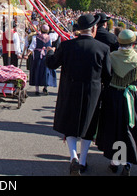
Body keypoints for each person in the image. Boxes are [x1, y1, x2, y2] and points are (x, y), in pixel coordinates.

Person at [45, 14, 111, 175]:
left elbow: (52, 64)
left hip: (70, 88)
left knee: (71, 124)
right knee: (88, 126)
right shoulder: (102, 48)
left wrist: (49, 52)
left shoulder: (67, 46)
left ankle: (73, 156)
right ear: (94, 28)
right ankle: (82, 161)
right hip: (92, 92)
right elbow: (108, 75)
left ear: (79, 29)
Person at [96, 29, 137, 175]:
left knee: (114, 128)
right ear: (133, 43)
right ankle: (127, 162)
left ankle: (115, 161)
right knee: (129, 130)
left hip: (113, 96)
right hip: (133, 97)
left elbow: (103, 74)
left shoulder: (111, 56)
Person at [28, 24, 56, 96]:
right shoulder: (50, 37)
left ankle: (37, 89)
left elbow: (32, 47)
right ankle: (45, 88)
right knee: (46, 71)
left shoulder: (35, 37)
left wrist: (26, 54)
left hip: (38, 57)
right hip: (46, 56)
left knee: (37, 71)